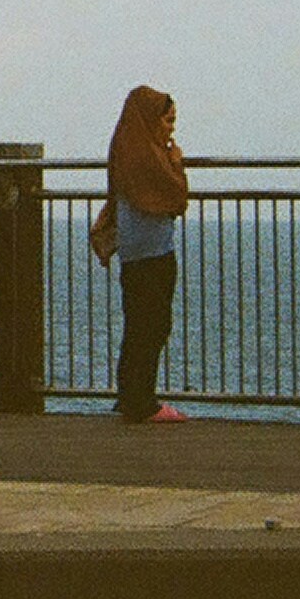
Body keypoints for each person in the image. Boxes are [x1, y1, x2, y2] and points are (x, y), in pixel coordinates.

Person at [91, 85, 189, 423]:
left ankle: (131, 396)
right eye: (168, 120)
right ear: (152, 119)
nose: (171, 128)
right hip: (152, 250)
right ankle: (141, 402)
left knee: (139, 324)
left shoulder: (127, 146)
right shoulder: (147, 156)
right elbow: (174, 196)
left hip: (137, 251)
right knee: (152, 324)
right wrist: (176, 164)